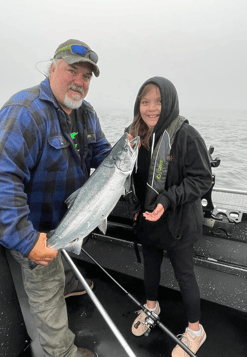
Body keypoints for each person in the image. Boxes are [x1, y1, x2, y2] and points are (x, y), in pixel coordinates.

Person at [0, 39, 112, 357]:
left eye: (86, 77)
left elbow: (102, 153)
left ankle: (69, 283)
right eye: (72, 71)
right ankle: (62, 352)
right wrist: (26, 240)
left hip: (66, 220)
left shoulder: (86, 113)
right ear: (52, 68)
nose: (79, 82)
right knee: (46, 290)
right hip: (34, 229)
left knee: (63, 260)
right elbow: (0, 180)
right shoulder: (24, 111)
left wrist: (124, 160)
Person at [126, 77, 212, 357]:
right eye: (145, 101)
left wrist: (168, 199)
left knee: (185, 276)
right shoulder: (135, 135)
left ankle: (196, 330)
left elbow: (201, 179)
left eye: (159, 101)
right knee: (150, 268)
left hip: (178, 223)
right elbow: (128, 176)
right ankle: (152, 308)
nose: (151, 108)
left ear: (171, 102)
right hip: (148, 220)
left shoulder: (187, 136)